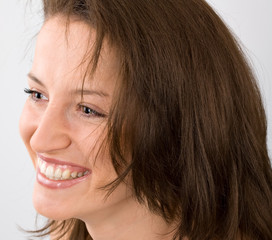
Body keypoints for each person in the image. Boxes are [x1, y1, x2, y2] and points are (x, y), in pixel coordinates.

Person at [19, 0, 272, 239]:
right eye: (38, 94)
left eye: (88, 110)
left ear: (174, 123)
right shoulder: (71, 227)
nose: (41, 140)